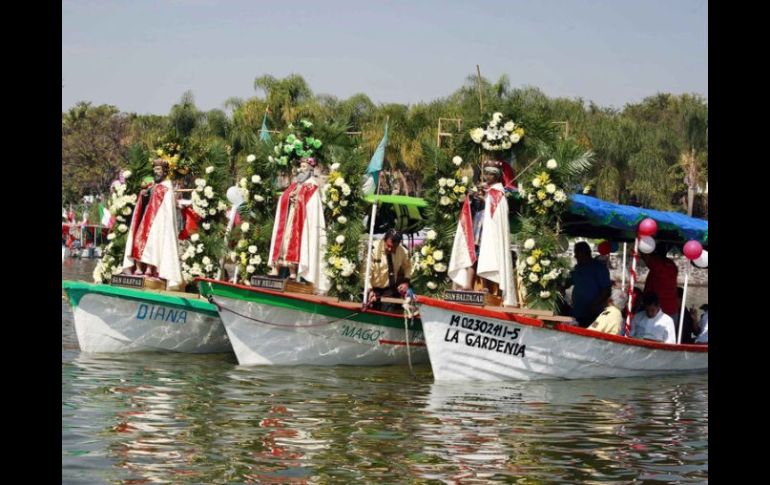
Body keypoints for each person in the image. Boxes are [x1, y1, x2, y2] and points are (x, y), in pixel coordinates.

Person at [448, 160, 517, 306]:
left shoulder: (498, 193)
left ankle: (487, 286)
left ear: (497, 176)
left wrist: (485, 198)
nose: (486, 176)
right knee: (473, 254)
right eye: (485, 173)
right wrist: (473, 197)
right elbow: (473, 206)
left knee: (488, 256)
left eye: (490, 174)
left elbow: (495, 209)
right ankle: (467, 284)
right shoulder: (484, 189)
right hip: (478, 226)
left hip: (490, 231)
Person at [267, 157, 329, 293]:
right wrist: (289, 197)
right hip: (290, 216)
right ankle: (276, 267)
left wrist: (298, 199)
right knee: (283, 241)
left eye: (305, 167)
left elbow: (310, 204)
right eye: (301, 166)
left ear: (311, 169)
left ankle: (293, 271)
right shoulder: (297, 183)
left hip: (302, 222)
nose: (302, 169)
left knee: (294, 243)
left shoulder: (312, 185)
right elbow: (285, 196)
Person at [122, 159, 183, 289]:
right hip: (146, 219)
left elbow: (166, 207)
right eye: (155, 170)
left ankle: (150, 269)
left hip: (157, 223)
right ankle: (139, 268)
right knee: (137, 242)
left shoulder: (166, 188)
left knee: (154, 245)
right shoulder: (152, 186)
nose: (156, 172)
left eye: (159, 170)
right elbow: (146, 200)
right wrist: (143, 195)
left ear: (164, 172)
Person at [567, 241, 611, 327]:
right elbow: (568, 282)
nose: (575, 256)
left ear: (585, 252)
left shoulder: (599, 268)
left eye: (577, 253)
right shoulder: (577, 268)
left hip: (593, 314)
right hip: (577, 312)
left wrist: (594, 304)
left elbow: (606, 290)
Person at [366, 229, 412, 312]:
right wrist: (369, 290)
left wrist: (406, 281)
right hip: (372, 289)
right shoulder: (372, 249)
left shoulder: (402, 251)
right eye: (388, 245)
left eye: (394, 247)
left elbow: (409, 267)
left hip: (389, 290)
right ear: (384, 240)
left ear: (398, 244)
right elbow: (365, 273)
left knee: (387, 314)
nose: (390, 249)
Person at [641, 244, 679, 317]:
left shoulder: (657, 264)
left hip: (658, 310)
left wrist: (641, 245)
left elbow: (645, 255)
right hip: (672, 309)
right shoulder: (672, 265)